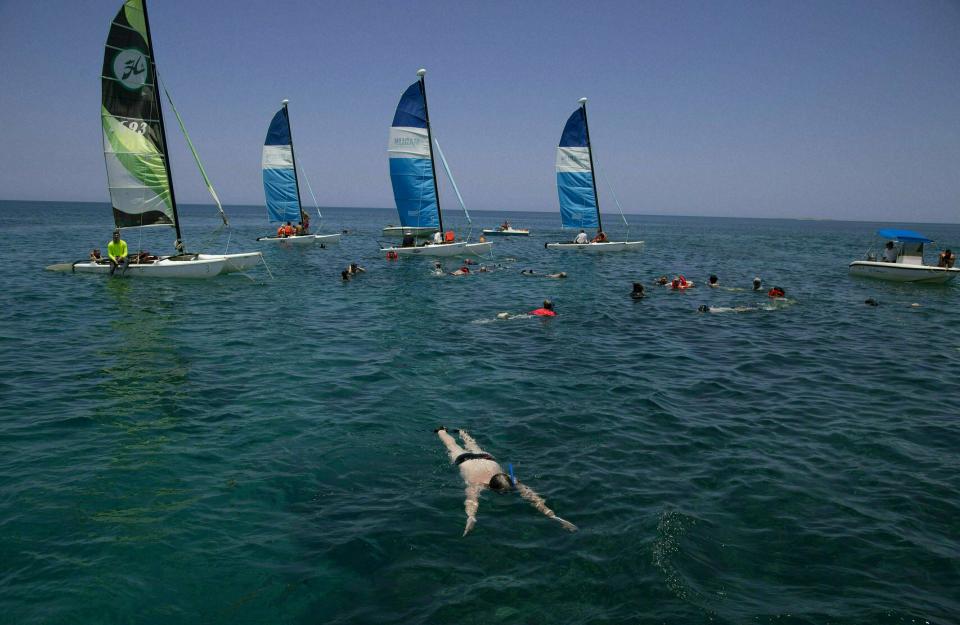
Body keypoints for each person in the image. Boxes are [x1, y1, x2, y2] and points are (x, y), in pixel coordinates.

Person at [434, 427, 577, 536]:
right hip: (475, 458)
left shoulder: (506, 480)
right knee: (455, 446)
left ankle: (443, 430)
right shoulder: (477, 483)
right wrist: (470, 517)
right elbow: (471, 501)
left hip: (483, 459)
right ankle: (455, 432)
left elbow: (472, 501)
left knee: (455, 446)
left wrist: (555, 517)